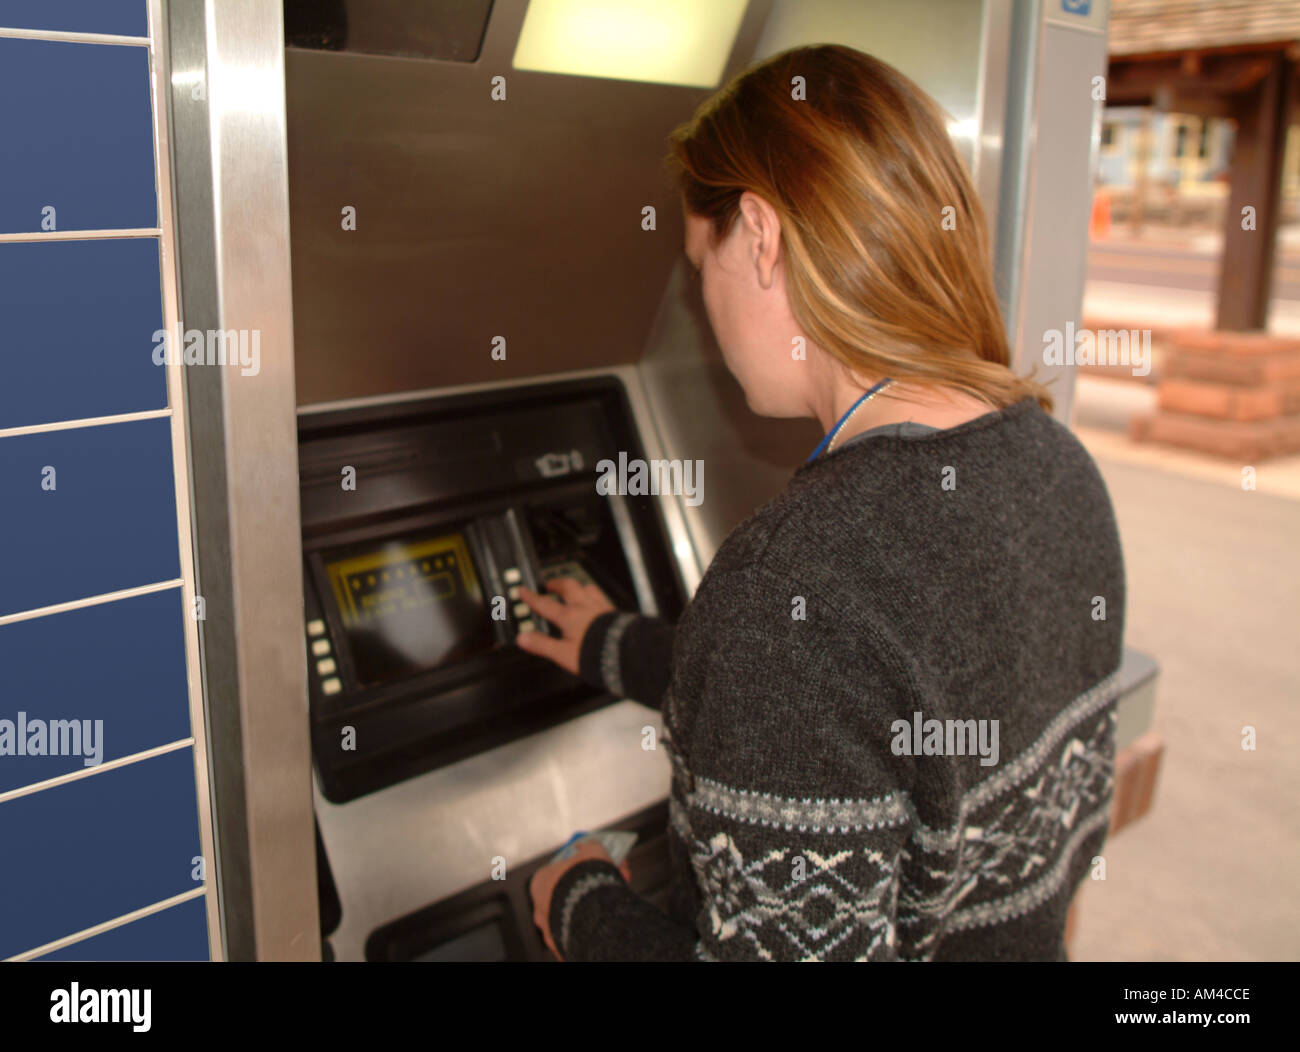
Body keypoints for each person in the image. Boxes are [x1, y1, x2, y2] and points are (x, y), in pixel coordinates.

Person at [519, 43, 1125, 962]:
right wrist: (625, 648)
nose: (700, 302)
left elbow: (823, 659)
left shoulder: (791, 584)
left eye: (698, 262)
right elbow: (886, 705)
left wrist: (579, 905)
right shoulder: (1056, 463)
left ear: (760, 239)